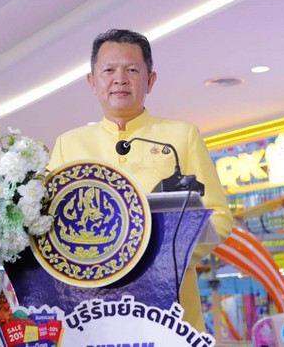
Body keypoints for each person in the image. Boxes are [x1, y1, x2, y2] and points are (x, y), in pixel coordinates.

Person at [48, 28, 233, 332]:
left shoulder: (181, 136)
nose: (120, 79)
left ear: (150, 80)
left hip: (171, 314)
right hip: (92, 315)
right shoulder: (68, 144)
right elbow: (49, 228)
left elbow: (220, 217)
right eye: (109, 70)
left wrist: (165, 259)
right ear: (92, 82)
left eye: (132, 70)